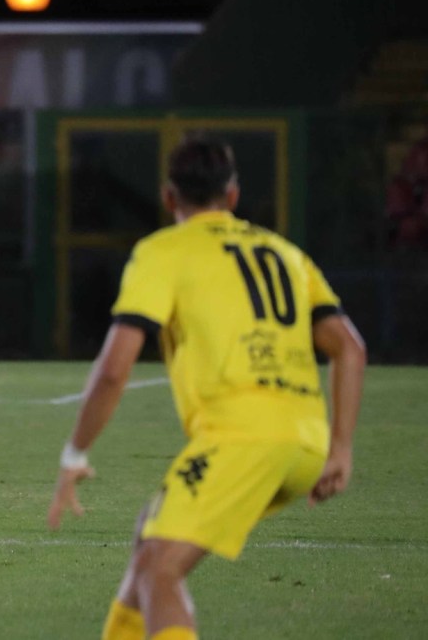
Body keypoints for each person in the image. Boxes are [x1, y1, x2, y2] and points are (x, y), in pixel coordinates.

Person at [46, 138, 366, 640]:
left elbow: (113, 370)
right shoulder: (285, 253)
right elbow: (349, 348)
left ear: (169, 197)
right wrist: (341, 448)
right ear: (233, 196)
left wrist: (74, 453)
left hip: (244, 438)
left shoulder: (163, 252)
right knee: (148, 544)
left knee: (160, 567)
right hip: (307, 444)